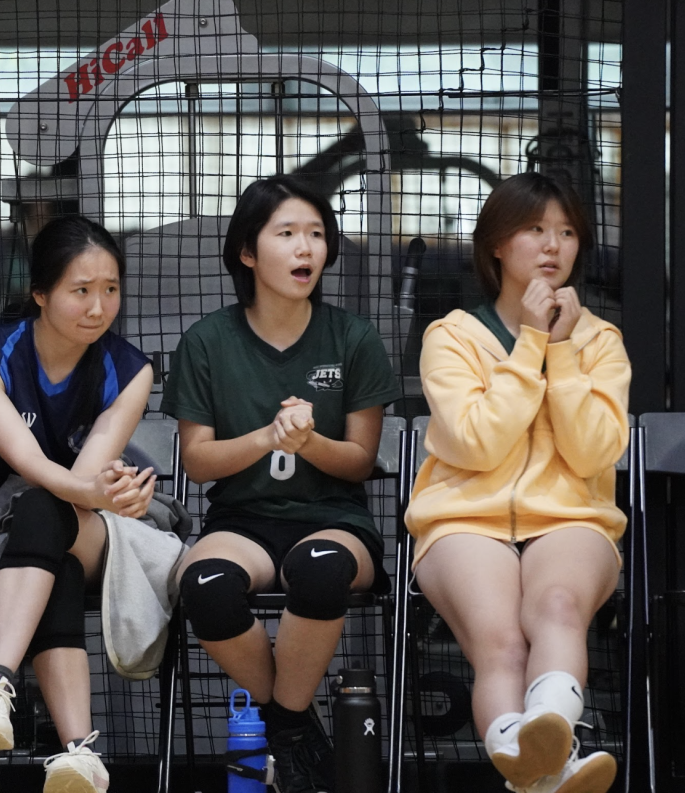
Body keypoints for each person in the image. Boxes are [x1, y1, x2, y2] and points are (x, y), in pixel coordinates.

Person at [162, 176, 400, 793]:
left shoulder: (354, 337)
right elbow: (198, 462)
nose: (306, 249)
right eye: (287, 233)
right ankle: (296, 734)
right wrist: (268, 438)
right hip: (241, 524)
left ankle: (285, 727)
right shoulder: (206, 341)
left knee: (320, 569)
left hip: (335, 522)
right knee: (205, 585)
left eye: (317, 235)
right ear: (248, 251)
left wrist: (308, 442)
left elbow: (359, 462)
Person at [406, 172, 631, 793]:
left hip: (571, 518)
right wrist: (531, 343)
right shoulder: (451, 335)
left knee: (558, 606)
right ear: (497, 245)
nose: (553, 245)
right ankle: (552, 766)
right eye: (535, 230)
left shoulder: (600, 342)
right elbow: (477, 443)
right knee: (500, 641)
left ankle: (538, 761)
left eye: (566, 233)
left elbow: (592, 453)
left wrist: (561, 353)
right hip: (462, 520)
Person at [0, 215, 155, 793]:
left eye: (111, 289)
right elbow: (26, 460)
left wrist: (114, 492)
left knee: (50, 512)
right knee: (51, 552)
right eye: (81, 290)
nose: (98, 307)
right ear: (40, 294)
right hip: (0, 533)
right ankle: (79, 752)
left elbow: (83, 482)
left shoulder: (130, 369)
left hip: (92, 525)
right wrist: (90, 489)